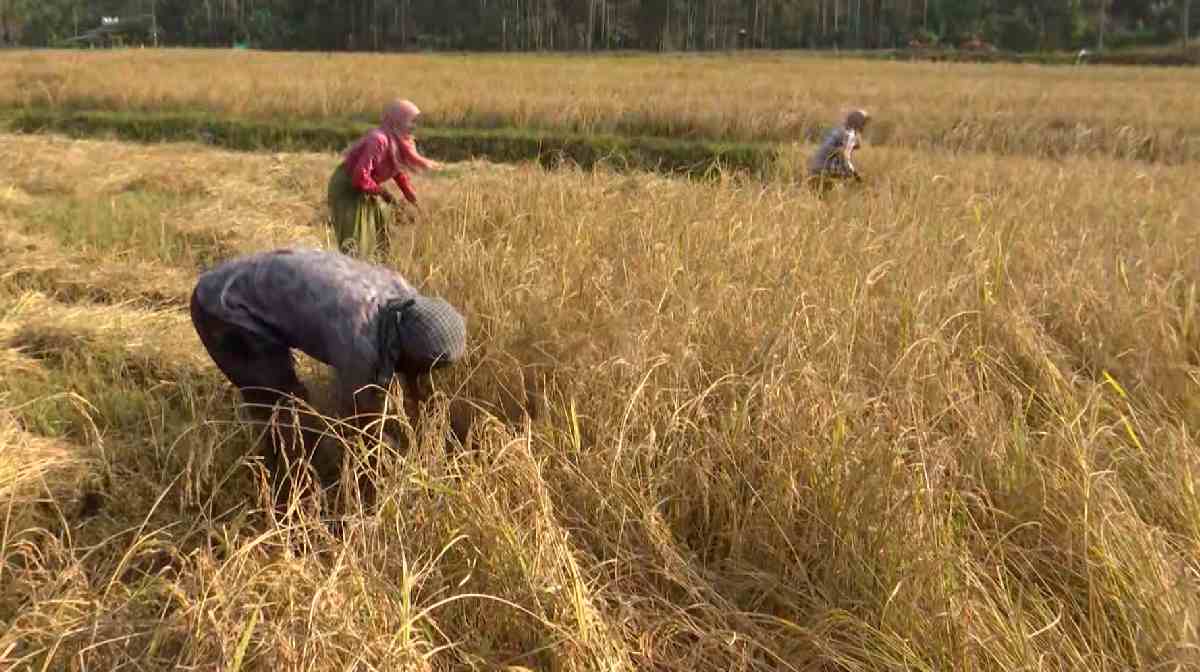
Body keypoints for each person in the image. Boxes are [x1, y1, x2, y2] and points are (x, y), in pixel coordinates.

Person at [189, 248, 467, 500]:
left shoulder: (408, 302)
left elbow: (416, 379)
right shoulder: (359, 338)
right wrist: (372, 491)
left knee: (294, 413)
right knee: (289, 417)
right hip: (224, 307)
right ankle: (293, 509)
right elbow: (360, 432)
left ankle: (303, 483)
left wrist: (439, 437)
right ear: (408, 354)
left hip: (254, 280)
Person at [327, 99, 442, 257]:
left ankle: (374, 266)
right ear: (397, 120)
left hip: (367, 186)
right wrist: (382, 192)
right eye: (411, 121)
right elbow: (359, 176)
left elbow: (397, 170)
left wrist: (412, 198)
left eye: (416, 122)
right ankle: (353, 270)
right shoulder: (378, 140)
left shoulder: (400, 141)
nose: (414, 126)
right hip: (348, 186)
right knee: (356, 238)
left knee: (378, 227)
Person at [807, 108, 870, 187]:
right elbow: (846, 159)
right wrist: (856, 176)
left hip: (815, 168)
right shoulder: (850, 135)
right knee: (849, 181)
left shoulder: (839, 130)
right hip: (824, 170)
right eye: (864, 123)